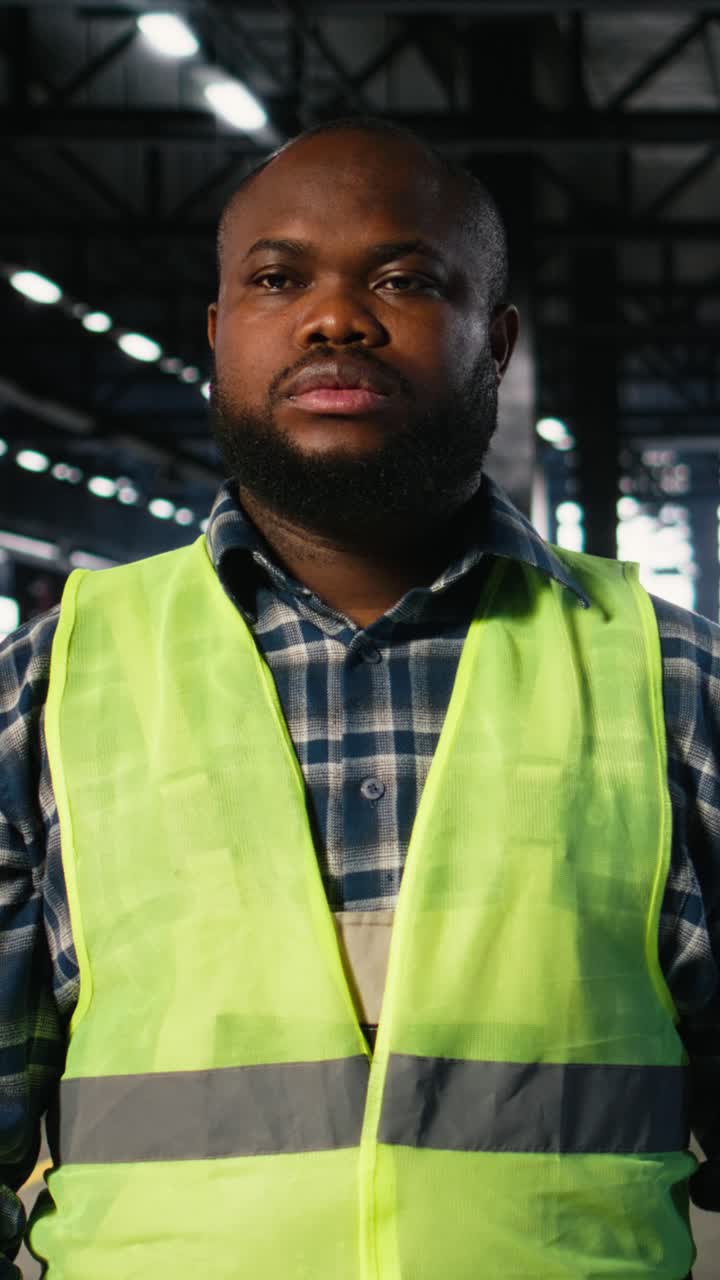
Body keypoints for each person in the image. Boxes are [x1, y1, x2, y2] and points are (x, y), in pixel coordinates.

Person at [0, 114, 717, 1279]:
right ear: (220, 334)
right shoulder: (49, 689)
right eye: (280, 278)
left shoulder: (669, 682)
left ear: (497, 341)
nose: (336, 317)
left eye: (404, 277)